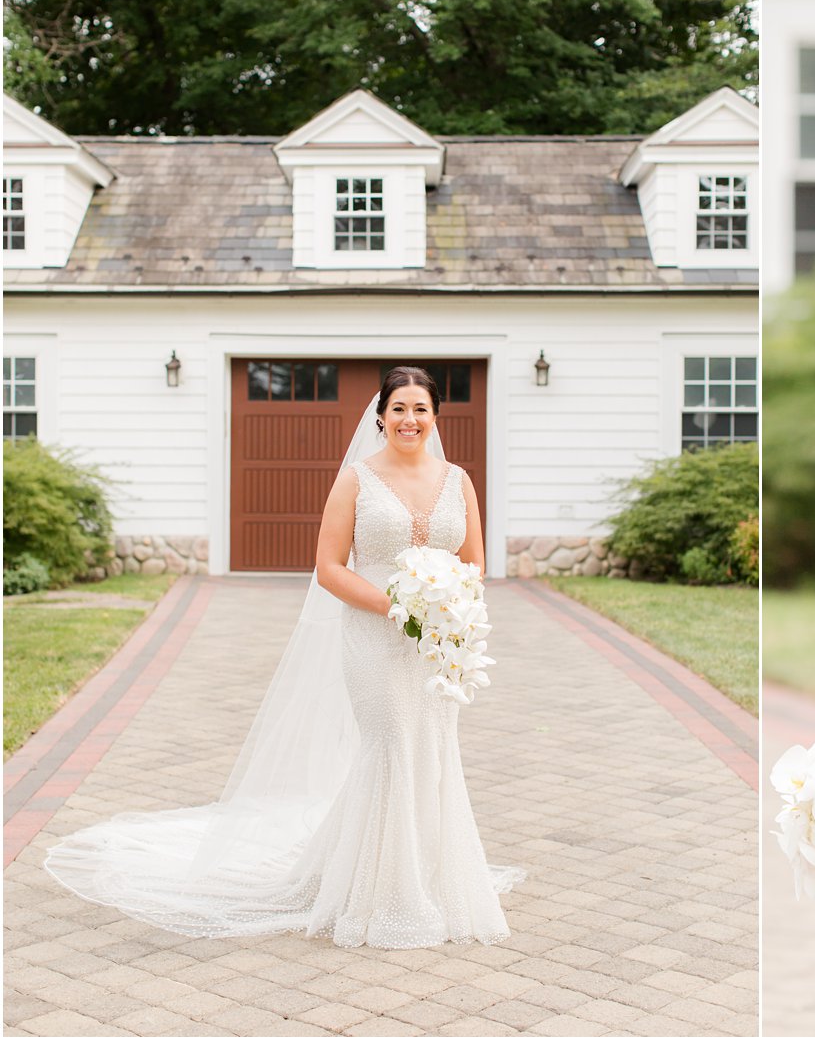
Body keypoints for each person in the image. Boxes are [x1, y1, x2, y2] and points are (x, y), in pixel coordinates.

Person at [46, 366, 522, 948]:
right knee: (392, 745)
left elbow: (472, 562)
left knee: (431, 749)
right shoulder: (357, 479)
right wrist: (398, 607)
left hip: (436, 644)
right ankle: (383, 893)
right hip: (375, 635)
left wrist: (449, 609)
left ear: (436, 416)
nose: (409, 420)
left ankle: (429, 877)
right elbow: (328, 567)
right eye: (399, 408)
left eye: (420, 409)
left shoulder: (459, 481)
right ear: (381, 416)